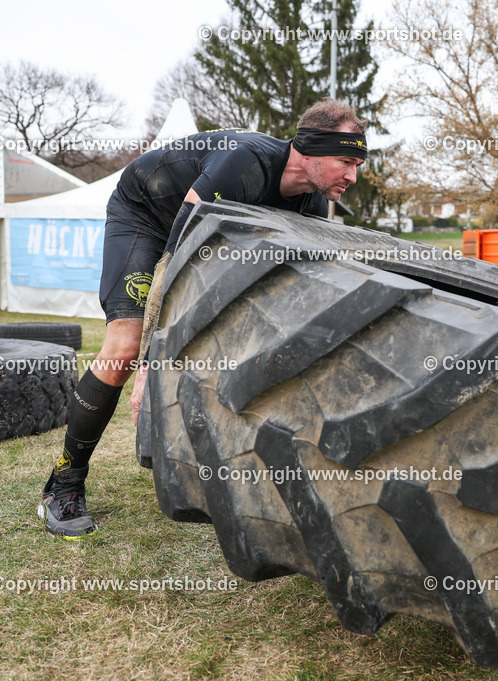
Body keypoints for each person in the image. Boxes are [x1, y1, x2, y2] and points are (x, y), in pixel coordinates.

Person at [37, 98, 368, 539]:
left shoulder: (311, 204)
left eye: (358, 163)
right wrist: (148, 368)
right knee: (126, 349)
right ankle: (63, 484)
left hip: (201, 237)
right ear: (308, 148)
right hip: (146, 217)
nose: (353, 176)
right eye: (345, 161)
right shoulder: (245, 162)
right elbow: (174, 260)